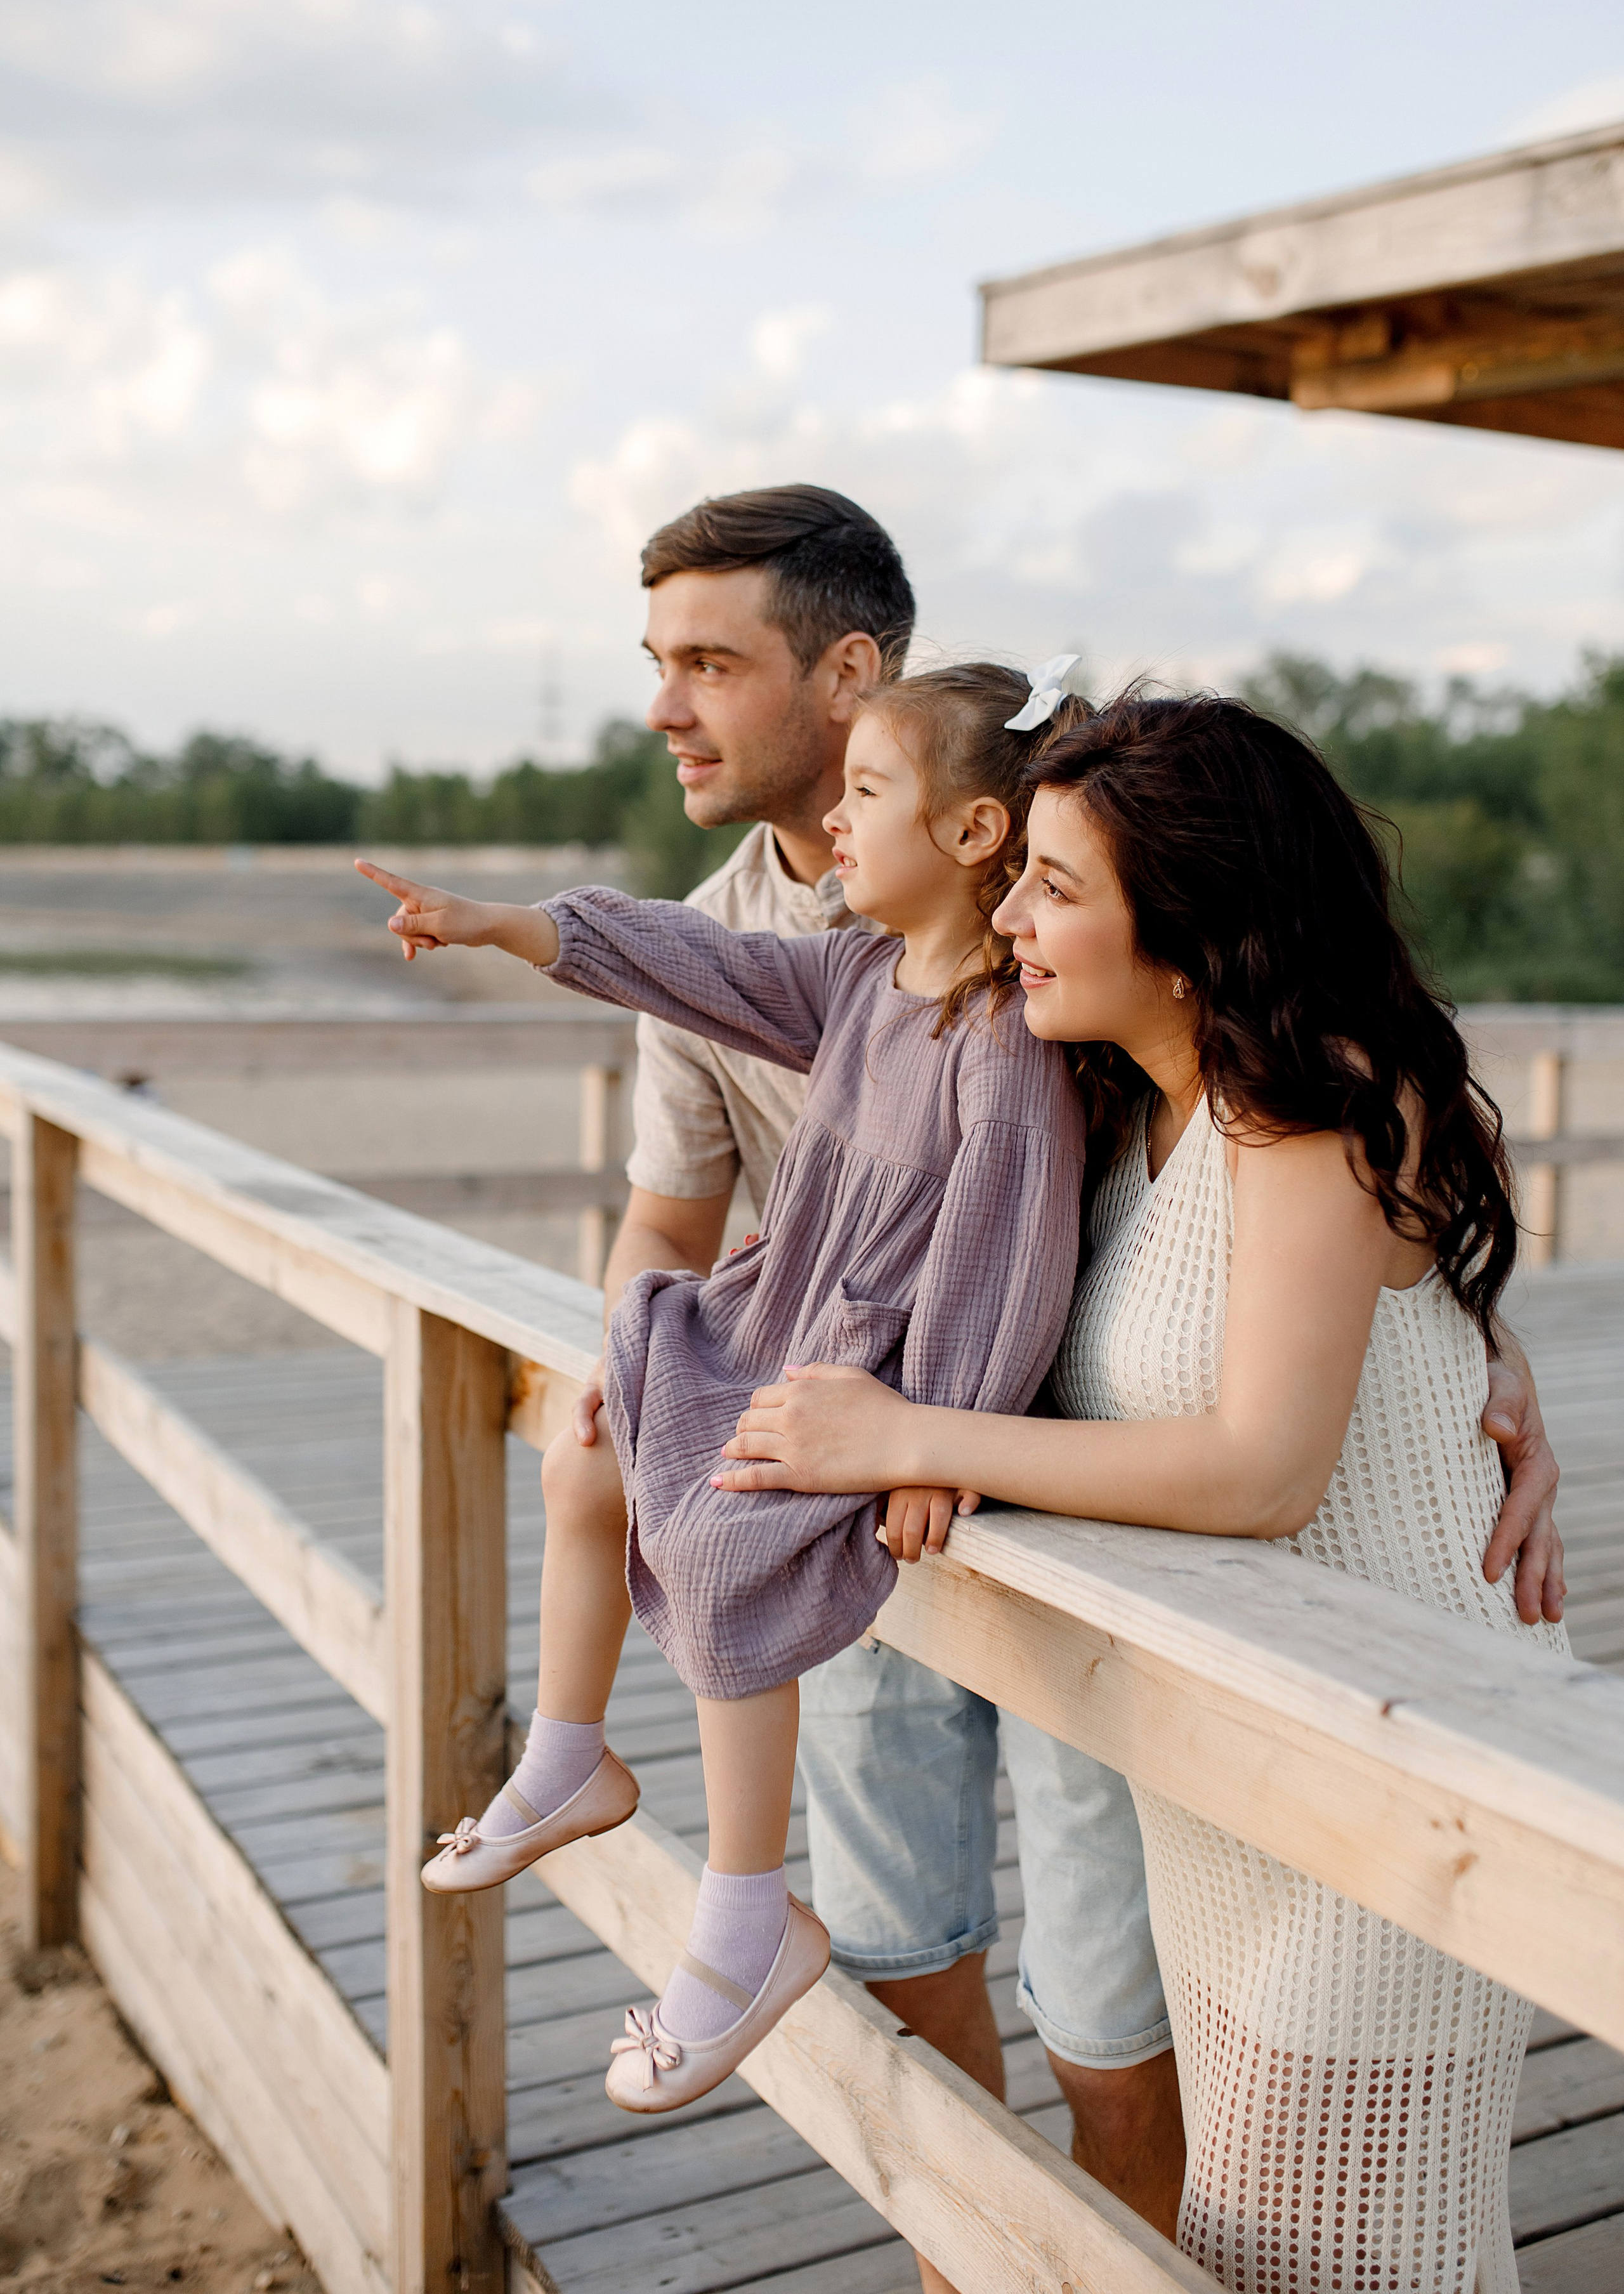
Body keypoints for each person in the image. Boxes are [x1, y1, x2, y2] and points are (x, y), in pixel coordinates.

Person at [717, 690, 1570, 2291]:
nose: (1010, 913)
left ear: (1187, 927)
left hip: (1397, 1760)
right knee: (1253, 2238)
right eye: (1016, 870)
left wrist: (906, 1435)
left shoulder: (1318, 1100)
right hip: (1231, 1769)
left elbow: (1261, 1466)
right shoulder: (1114, 1109)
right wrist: (1484, 1343)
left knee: (1346, 2249)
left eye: (1054, 885)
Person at [355, 661, 1092, 2113]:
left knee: (716, 1531)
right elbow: (697, 963)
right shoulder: (866, 976)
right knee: (588, 1454)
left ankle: (749, 1916)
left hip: (877, 1372)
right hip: (783, 1317)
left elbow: (1004, 1278)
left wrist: (930, 1439)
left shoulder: (1002, 1054)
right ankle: (568, 1758)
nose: (833, 816)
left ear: (972, 836)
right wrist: (513, 927)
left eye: (866, 792)